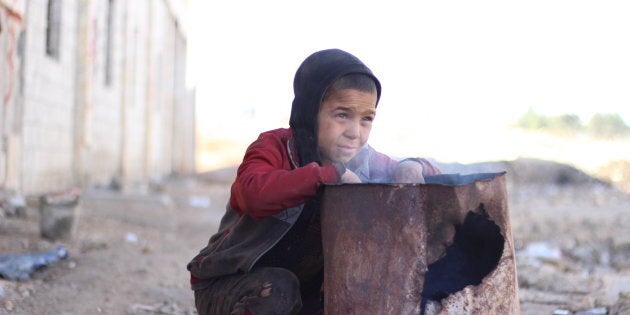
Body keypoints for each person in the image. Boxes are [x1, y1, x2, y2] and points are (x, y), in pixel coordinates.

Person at [187, 48, 441, 315]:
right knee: (279, 289)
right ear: (311, 111)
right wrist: (328, 175)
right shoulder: (275, 147)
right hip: (234, 284)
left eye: (366, 119)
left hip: (305, 293)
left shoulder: (365, 161)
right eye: (342, 115)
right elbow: (252, 193)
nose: (354, 132)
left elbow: (433, 174)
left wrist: (414, 166)